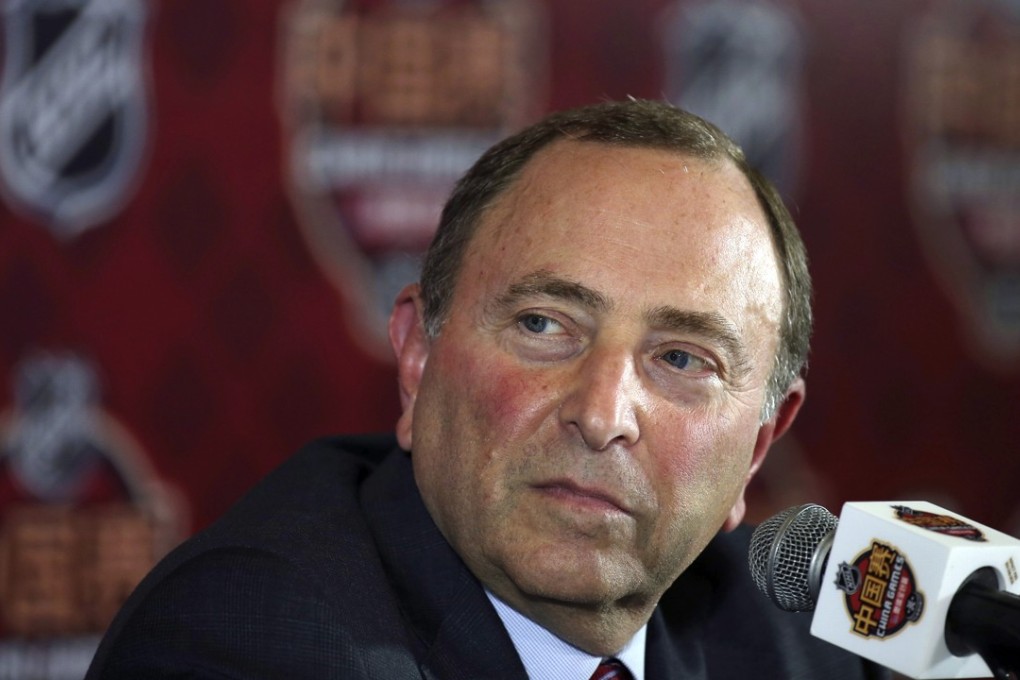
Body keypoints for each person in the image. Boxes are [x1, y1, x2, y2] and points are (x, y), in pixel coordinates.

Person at [86, 99, 889, 679]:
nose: (602, 414)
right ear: (417, 359)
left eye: (682, 361)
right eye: (545, 325)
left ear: (757, 448)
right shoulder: (259, 638)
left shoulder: (798, 635)